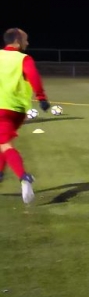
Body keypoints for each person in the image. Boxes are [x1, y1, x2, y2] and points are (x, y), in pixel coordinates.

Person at [0, 28, 55, 204]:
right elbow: (33, 76)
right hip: (18, 111)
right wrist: (41, 98)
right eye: (26, 39)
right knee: (4, 142)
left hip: (1, 109)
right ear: (17, 40)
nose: (28, 43)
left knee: (5, 144)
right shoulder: (23, 59)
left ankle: (24, 177)